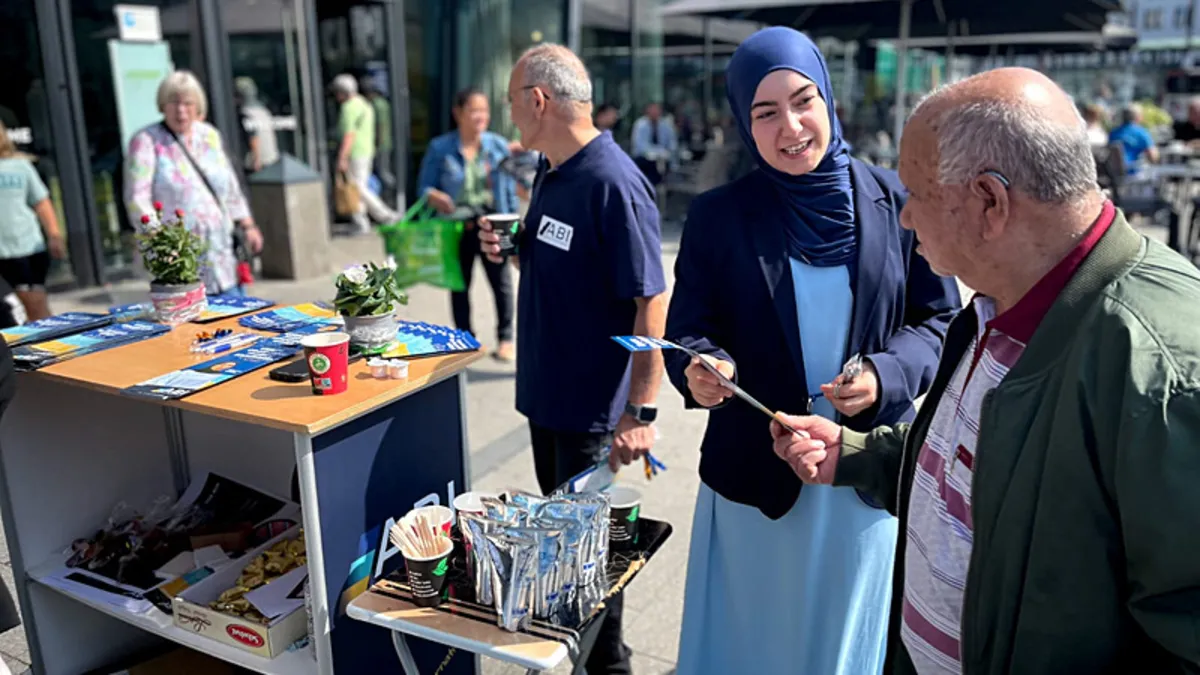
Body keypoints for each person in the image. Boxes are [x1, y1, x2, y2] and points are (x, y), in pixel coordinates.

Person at [773, 67, 1200, 674]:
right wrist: (860, 455)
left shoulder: (1160, 373)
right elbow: (987, 477)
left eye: (917, 195)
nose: (905, 218)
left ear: (989, 203)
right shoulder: (1002, 300)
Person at [665, 27, 960, 675]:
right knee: (751, 643)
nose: (791, 126)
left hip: (859, 479)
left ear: (829, 99)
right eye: (765, 113)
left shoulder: (896, 201)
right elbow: (686, 329)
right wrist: (701, 367)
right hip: (757, 482)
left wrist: (886, 375)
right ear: (744, 123)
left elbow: (942, 321)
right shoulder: (720, 216)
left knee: (843, 646)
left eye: (804, 101)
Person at [478, 43, 667, 675]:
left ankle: (606, 666)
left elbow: (650, 300)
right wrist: (513, 245)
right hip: (547, 399)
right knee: (570, 558)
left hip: (591, 413)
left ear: (538, 100)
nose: (510, 120)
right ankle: (601, 660)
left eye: (512, 105)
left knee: (589, 565)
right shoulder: (550, 170)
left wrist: (640, 410)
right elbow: (559, 258)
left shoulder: (613, 182)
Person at [125, 71, 263, 295]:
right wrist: (160, 243)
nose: (181, 110)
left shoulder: (209, 135)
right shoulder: (146, 141)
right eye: (174, 103)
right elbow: (137, 199)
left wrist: (247, 224)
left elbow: (229, 185)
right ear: (162, 105)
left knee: (237, 320)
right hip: (180, 262)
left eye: (188, 103)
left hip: (222, 255)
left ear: (198, 105)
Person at [417, 88, 519, 362]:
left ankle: (506, 338)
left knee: (502, 284)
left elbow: (509, 188)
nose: (480, 117)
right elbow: (423, 187)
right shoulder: (440, 148)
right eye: (474, 110)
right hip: (456, 226)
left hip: (493, 222)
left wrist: (513, 224)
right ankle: (464, 338)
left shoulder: (497, 146)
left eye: (484, 111)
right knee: (459, 285)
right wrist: (434, 195)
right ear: (458, 113)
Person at [0, 122, 65, 321]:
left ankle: (53, 346)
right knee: (6, 313)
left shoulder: (20, 166)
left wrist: (55, 235)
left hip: (26, 248)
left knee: (35, 306)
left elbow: (42, 203)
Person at [331, 74, 396, 233]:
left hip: (355, 152)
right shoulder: (365, 104)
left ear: (342, 92)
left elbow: (349, 135)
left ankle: (385, 215)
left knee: (357, 187)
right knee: (358, 186)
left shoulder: (348, 108)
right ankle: (361, 222)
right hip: (367, 151)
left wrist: (342, 157)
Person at [233, 77, 279, 173]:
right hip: (272, 158)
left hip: (257, 163)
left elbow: (253, 137)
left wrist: (256, 159)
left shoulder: (245, 113)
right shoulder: (263, 111)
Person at [361, 77, 396, 195]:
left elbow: (379, 126)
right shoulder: (384, 103)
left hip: (381, 144)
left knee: (383, 172)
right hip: (387, 142)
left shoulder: (376, 105)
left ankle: (393, 191)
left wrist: (376, 144)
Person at [631, 102, 676, 185]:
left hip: (662, 159)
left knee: (666, 164)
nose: (655, 112)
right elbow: (640, 146)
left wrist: (666, 153)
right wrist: (658, 152)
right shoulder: (640, 125)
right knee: (649, 165)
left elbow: (672, 144)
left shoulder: (666, 125)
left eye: (657, 110)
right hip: (644, 158)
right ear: (647, 111)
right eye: (652, 110)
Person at [1107, 103, 1158, 174]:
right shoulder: (1141, 133)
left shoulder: (1113, 133)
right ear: (1137, 116)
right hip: (1133, 172)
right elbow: (1153, 157)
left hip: (1114, 174)